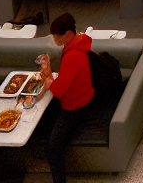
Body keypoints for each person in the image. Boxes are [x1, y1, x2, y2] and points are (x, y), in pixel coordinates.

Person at [36, 13, 96, 183]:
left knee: (52, 148)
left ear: (68, 34)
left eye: (56, 35)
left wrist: (48, 78)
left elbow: (60, 91)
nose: (53, 38)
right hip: (86, 96)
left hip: (76, 107)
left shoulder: (72, 55)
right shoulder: (82, 42)